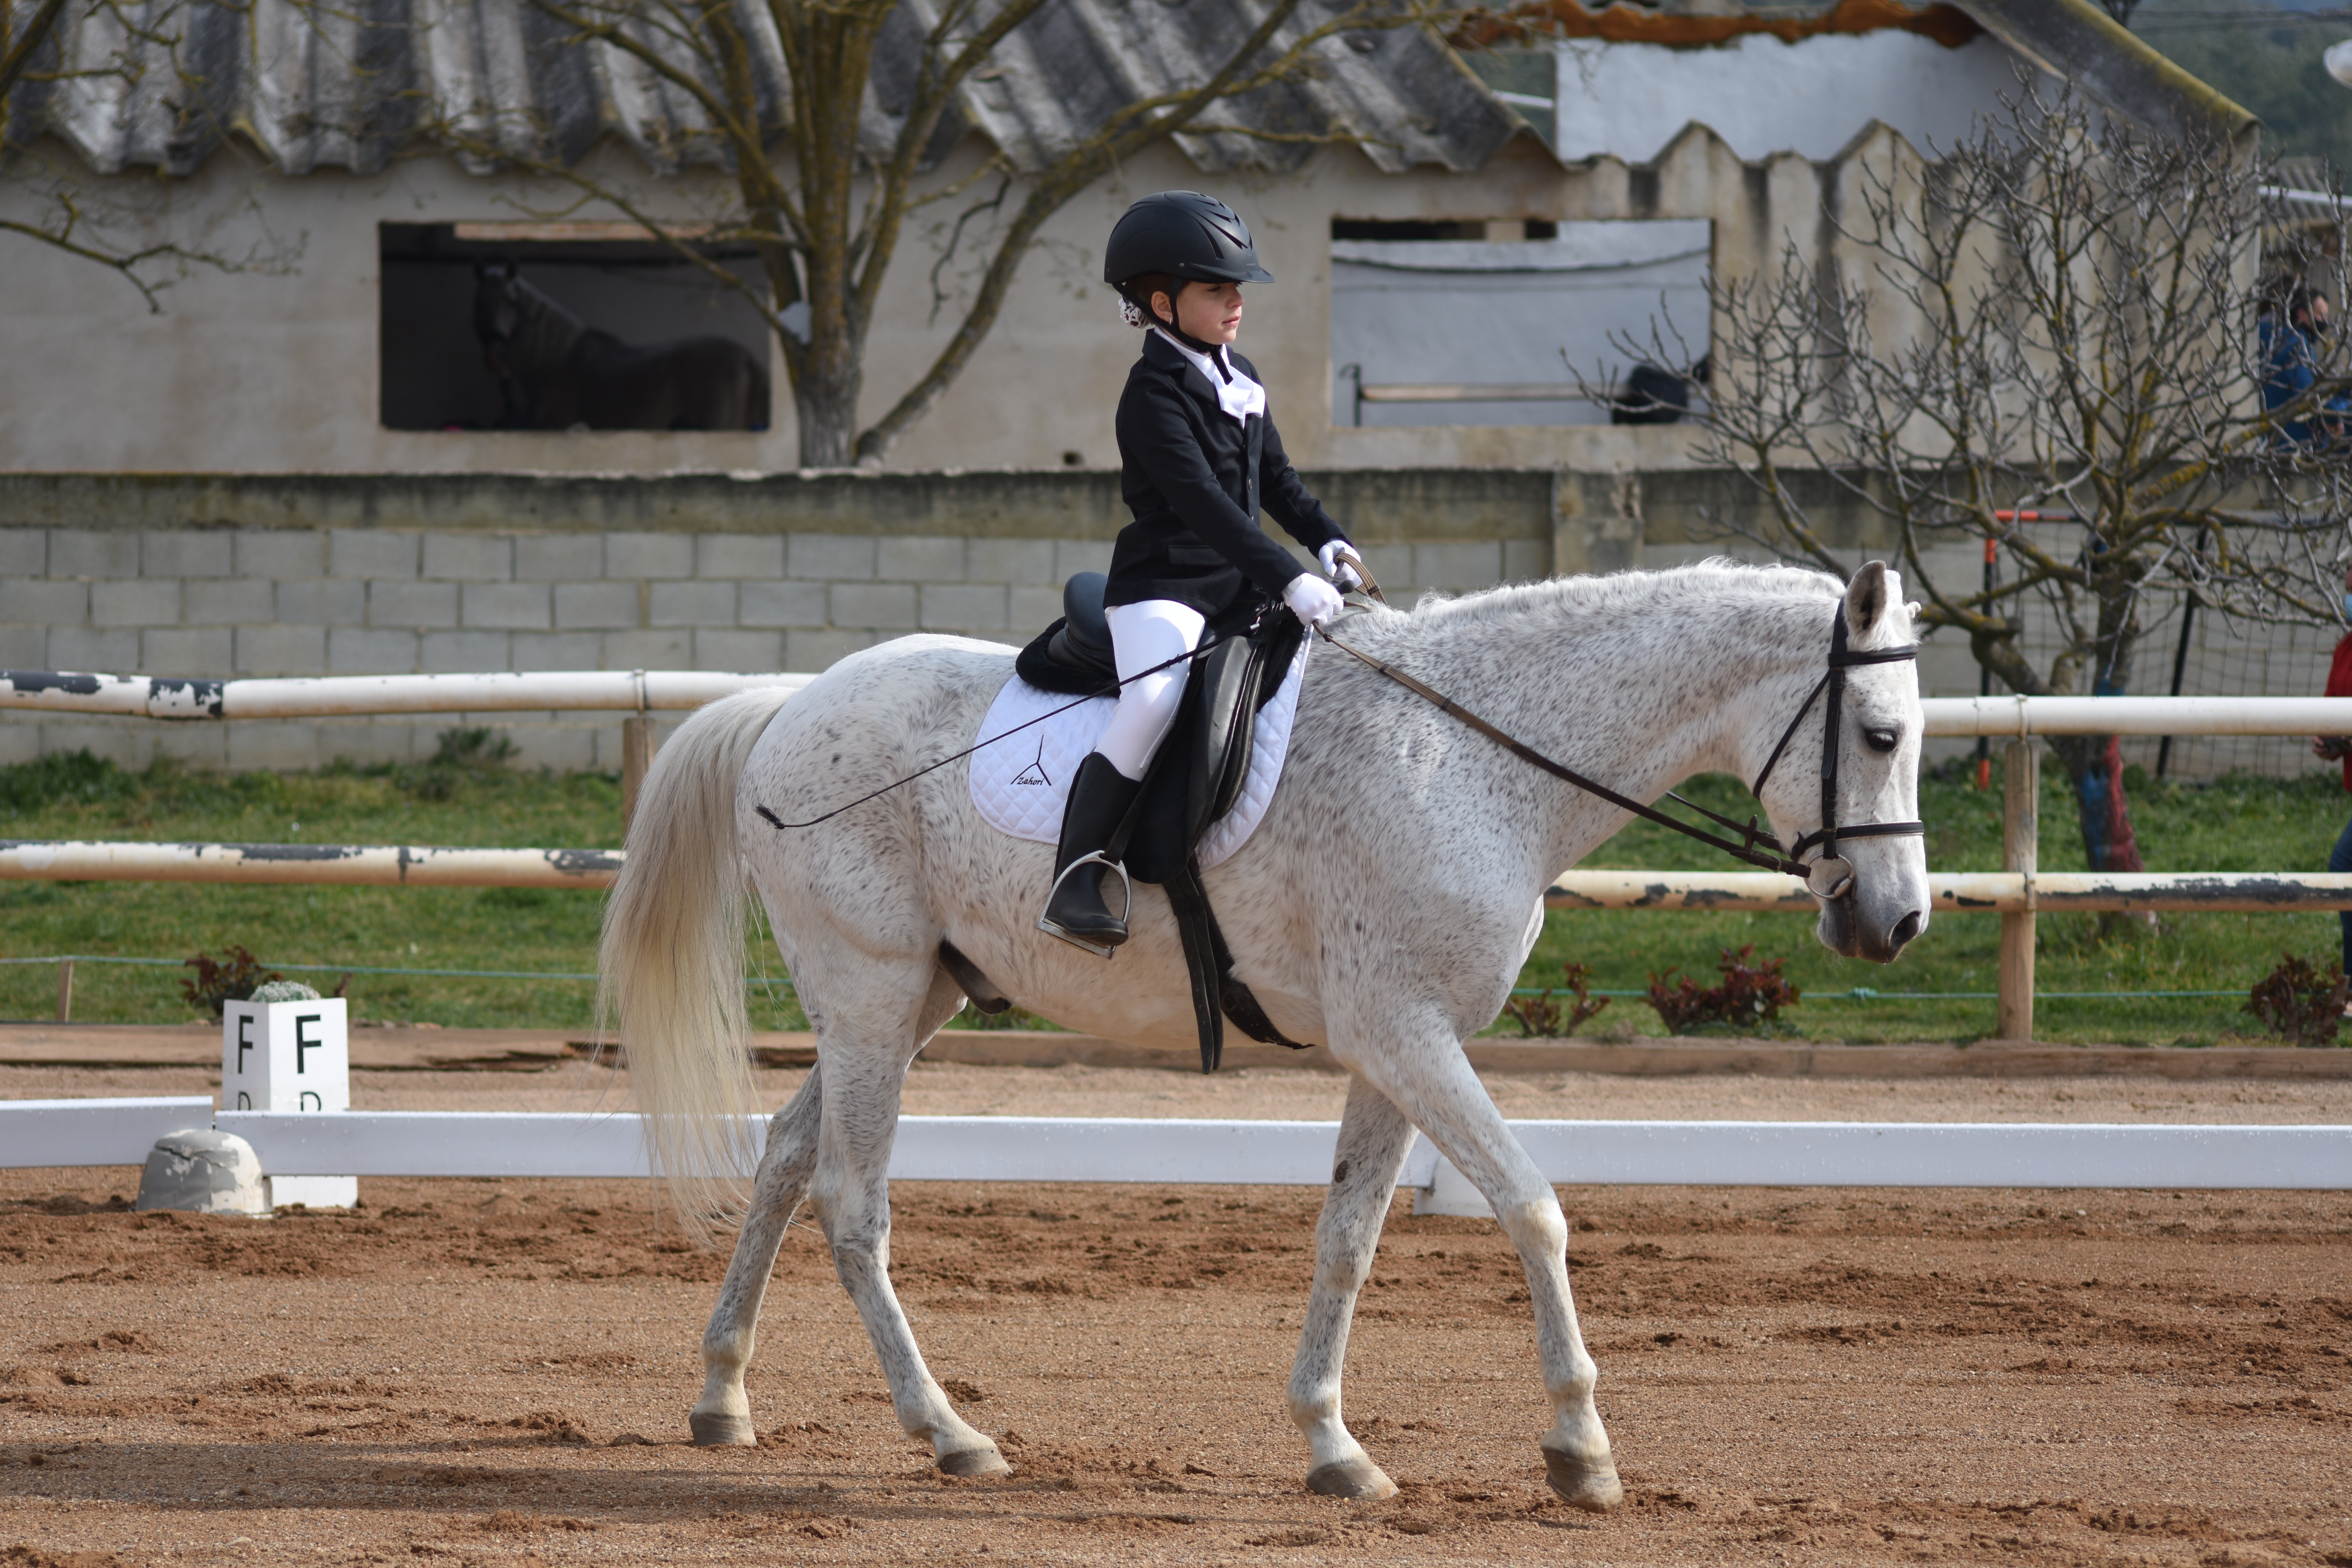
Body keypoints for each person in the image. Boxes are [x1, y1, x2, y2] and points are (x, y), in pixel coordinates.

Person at [1037, 191, 1360, 955]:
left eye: (1238, 288)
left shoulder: (1238, 374)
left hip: (1242, 585)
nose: (1236, 302)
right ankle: (1079, 871)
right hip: (1166, 587)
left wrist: (1328, 540)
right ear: (1161, 301)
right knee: (1152, 701)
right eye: (1217, 289)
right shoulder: (1150, 396)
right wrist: (1287, 577)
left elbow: (1277, 481)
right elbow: (1208, 506)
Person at [2313, 565, 2352, 986]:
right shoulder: (2346, 648)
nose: (2349, 600)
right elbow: (2331, 711)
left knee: (2344, 866)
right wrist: (2330, 742)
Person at [2261, 282, 2340, 447]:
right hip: (2292, 441)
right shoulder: (2295, 342)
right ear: (2303, 315)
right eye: (2321, 315)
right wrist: (2334, 417)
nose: (2326, 322)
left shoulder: (2268, 333)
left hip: (2270, 436)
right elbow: (2307, 390)